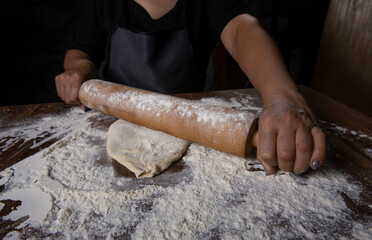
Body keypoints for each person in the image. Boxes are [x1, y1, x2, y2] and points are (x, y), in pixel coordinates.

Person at [55, 0, 326, 175]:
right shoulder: (102, 4)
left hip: (190, 122)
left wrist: (282, 95)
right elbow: (80, 50)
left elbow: (241, 30)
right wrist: (79, 69)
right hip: (115, 114)